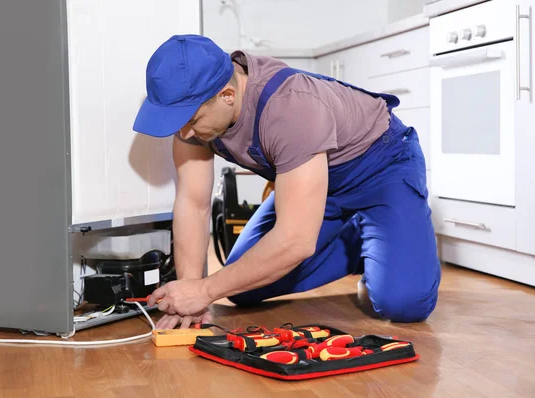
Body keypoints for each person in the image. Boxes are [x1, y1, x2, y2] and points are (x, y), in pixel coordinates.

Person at [133, 34, 441, 329]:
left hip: (381, 168)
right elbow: (193, 202)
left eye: (191, 121)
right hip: (310, 182)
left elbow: (295, 241)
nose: (183, 134)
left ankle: (377, 235)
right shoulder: (196, 116)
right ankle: (370, 245)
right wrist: (193, 289)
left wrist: (205, 290)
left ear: (227, 96)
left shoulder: (289, 107)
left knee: (404, 303)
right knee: (243, 288)